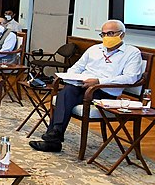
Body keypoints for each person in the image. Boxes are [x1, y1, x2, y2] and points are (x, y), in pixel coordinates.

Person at [30, 20, 143, 152]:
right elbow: (76, 68)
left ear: (122, 35)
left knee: (67, 95)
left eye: (111, 33)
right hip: (82, 86)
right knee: (66, 92)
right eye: (103, 34)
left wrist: (98, 81)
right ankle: (54, 136)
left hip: (104, 91)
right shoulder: (94, 49)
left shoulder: (132, 53)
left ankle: (53, 140)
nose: (106, 37)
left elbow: (130, 77)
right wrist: (72, 77)